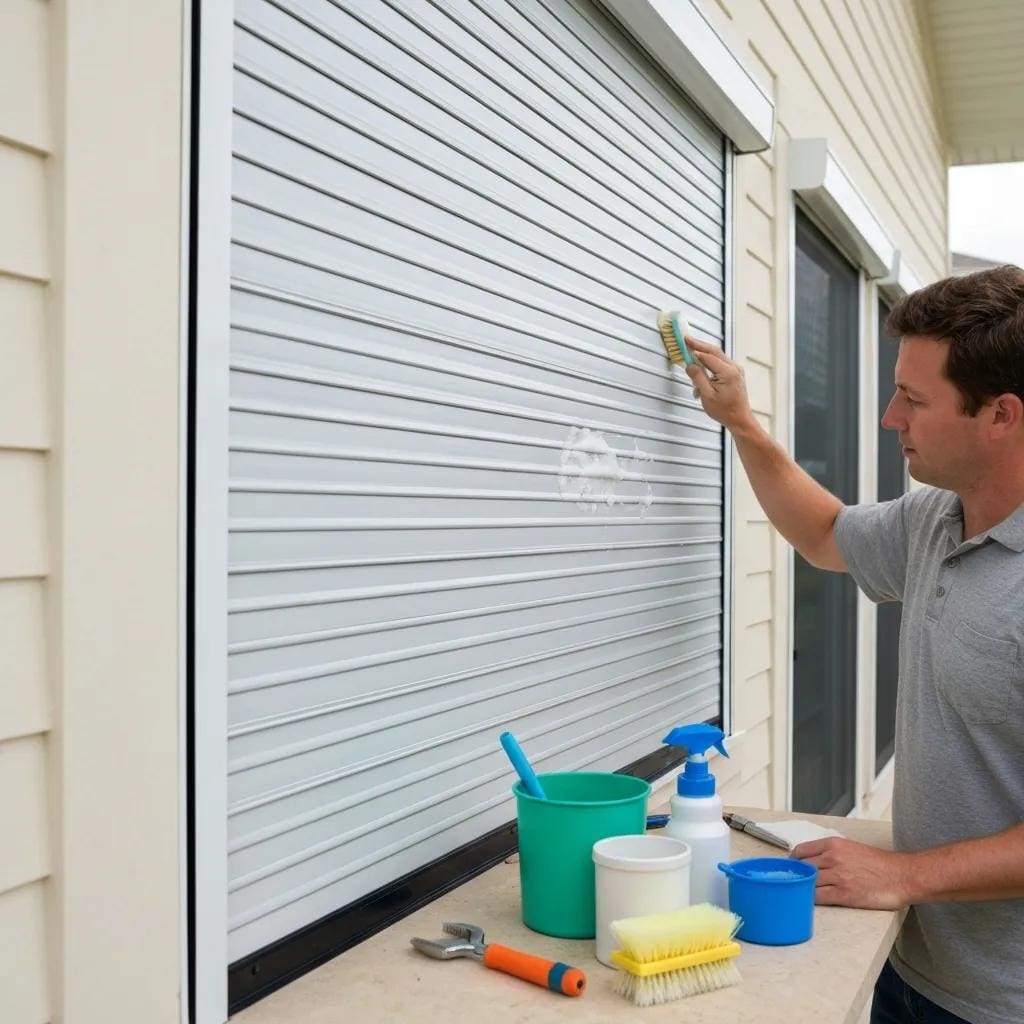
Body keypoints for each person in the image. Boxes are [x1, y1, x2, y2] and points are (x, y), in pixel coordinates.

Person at [683, 265, 1024, 1024]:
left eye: (913, 398)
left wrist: (903, 874)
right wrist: (741, 422)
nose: (887, 417)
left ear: (1000, 415)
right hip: (910, 960)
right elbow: (824, 533)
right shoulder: (937, 518)